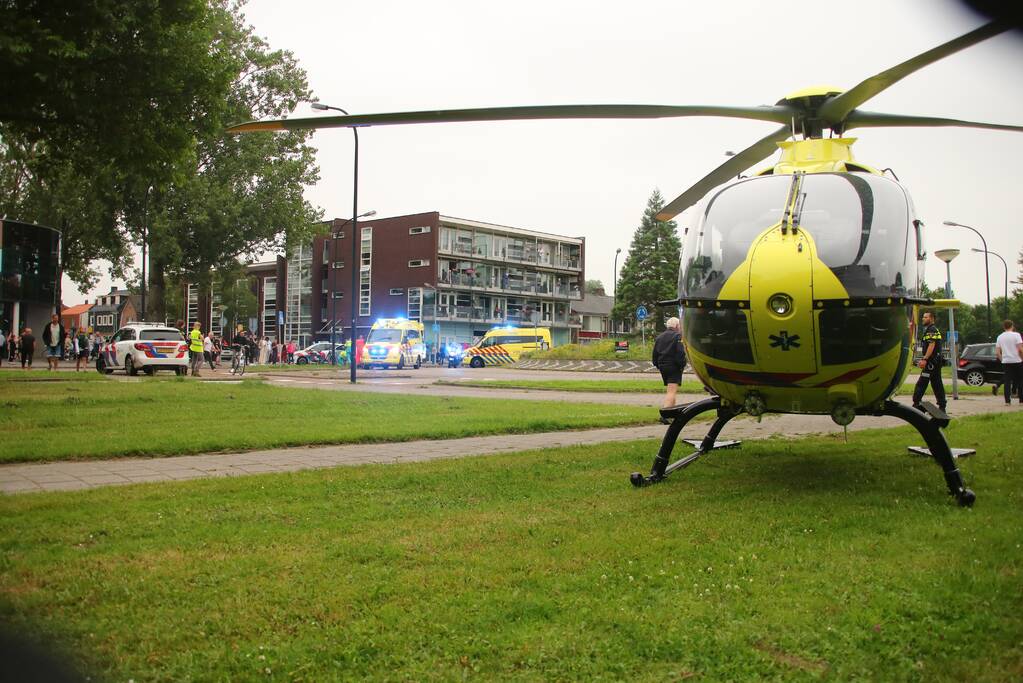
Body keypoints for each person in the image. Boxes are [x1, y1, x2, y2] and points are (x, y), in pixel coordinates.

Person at [652, 317, 688, 419]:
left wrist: (657, 364)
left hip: (662, 366)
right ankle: (665, 415)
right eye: (680, 325)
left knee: (672, 390)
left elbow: (654, 353)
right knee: (671, 392)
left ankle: (672, 413)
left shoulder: (660, 337)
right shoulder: (677, 336)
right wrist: (682, 364)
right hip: (673, 366)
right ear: (676, 326)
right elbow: (680, 353)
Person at [911, 310, 947, 413]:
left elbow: (932, 345)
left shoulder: (931, 330)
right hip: (935, 362)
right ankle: (942, 406)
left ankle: (916, 404)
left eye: (925, 317)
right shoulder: (931, 330)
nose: (923, 318)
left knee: (921, 383)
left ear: (931, 319)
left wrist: (925, 359)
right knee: (937, 384)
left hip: (931, 362)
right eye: (923, 317)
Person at [995, 320, 1023, 406]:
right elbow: (1020, 349)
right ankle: (1021, 400)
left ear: (1004, 327)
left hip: (1006, 361)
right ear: (1012, 326)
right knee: (1020, 380)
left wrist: (1002, 359)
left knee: (1007, 381)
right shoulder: (1016, 335)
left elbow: (997, 352)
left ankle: (1007, 401)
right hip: (1017, 360)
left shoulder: (1000, 337)